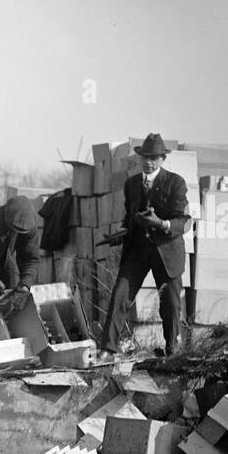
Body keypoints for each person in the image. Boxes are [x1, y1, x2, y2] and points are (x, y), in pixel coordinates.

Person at [98, 132, 191, 357]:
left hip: (166, 252)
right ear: (140, 158)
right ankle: (108, 349)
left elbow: (183, 222)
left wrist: (159, 223)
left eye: (154, 158)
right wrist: (119, 235)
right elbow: (130, 219)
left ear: (162, 159)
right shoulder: (131, 184)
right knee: (120, 295)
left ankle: (172, 351)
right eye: (145, 158)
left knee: (170, 304)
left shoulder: (175, 182)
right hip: (137, 251)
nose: (149, 163)